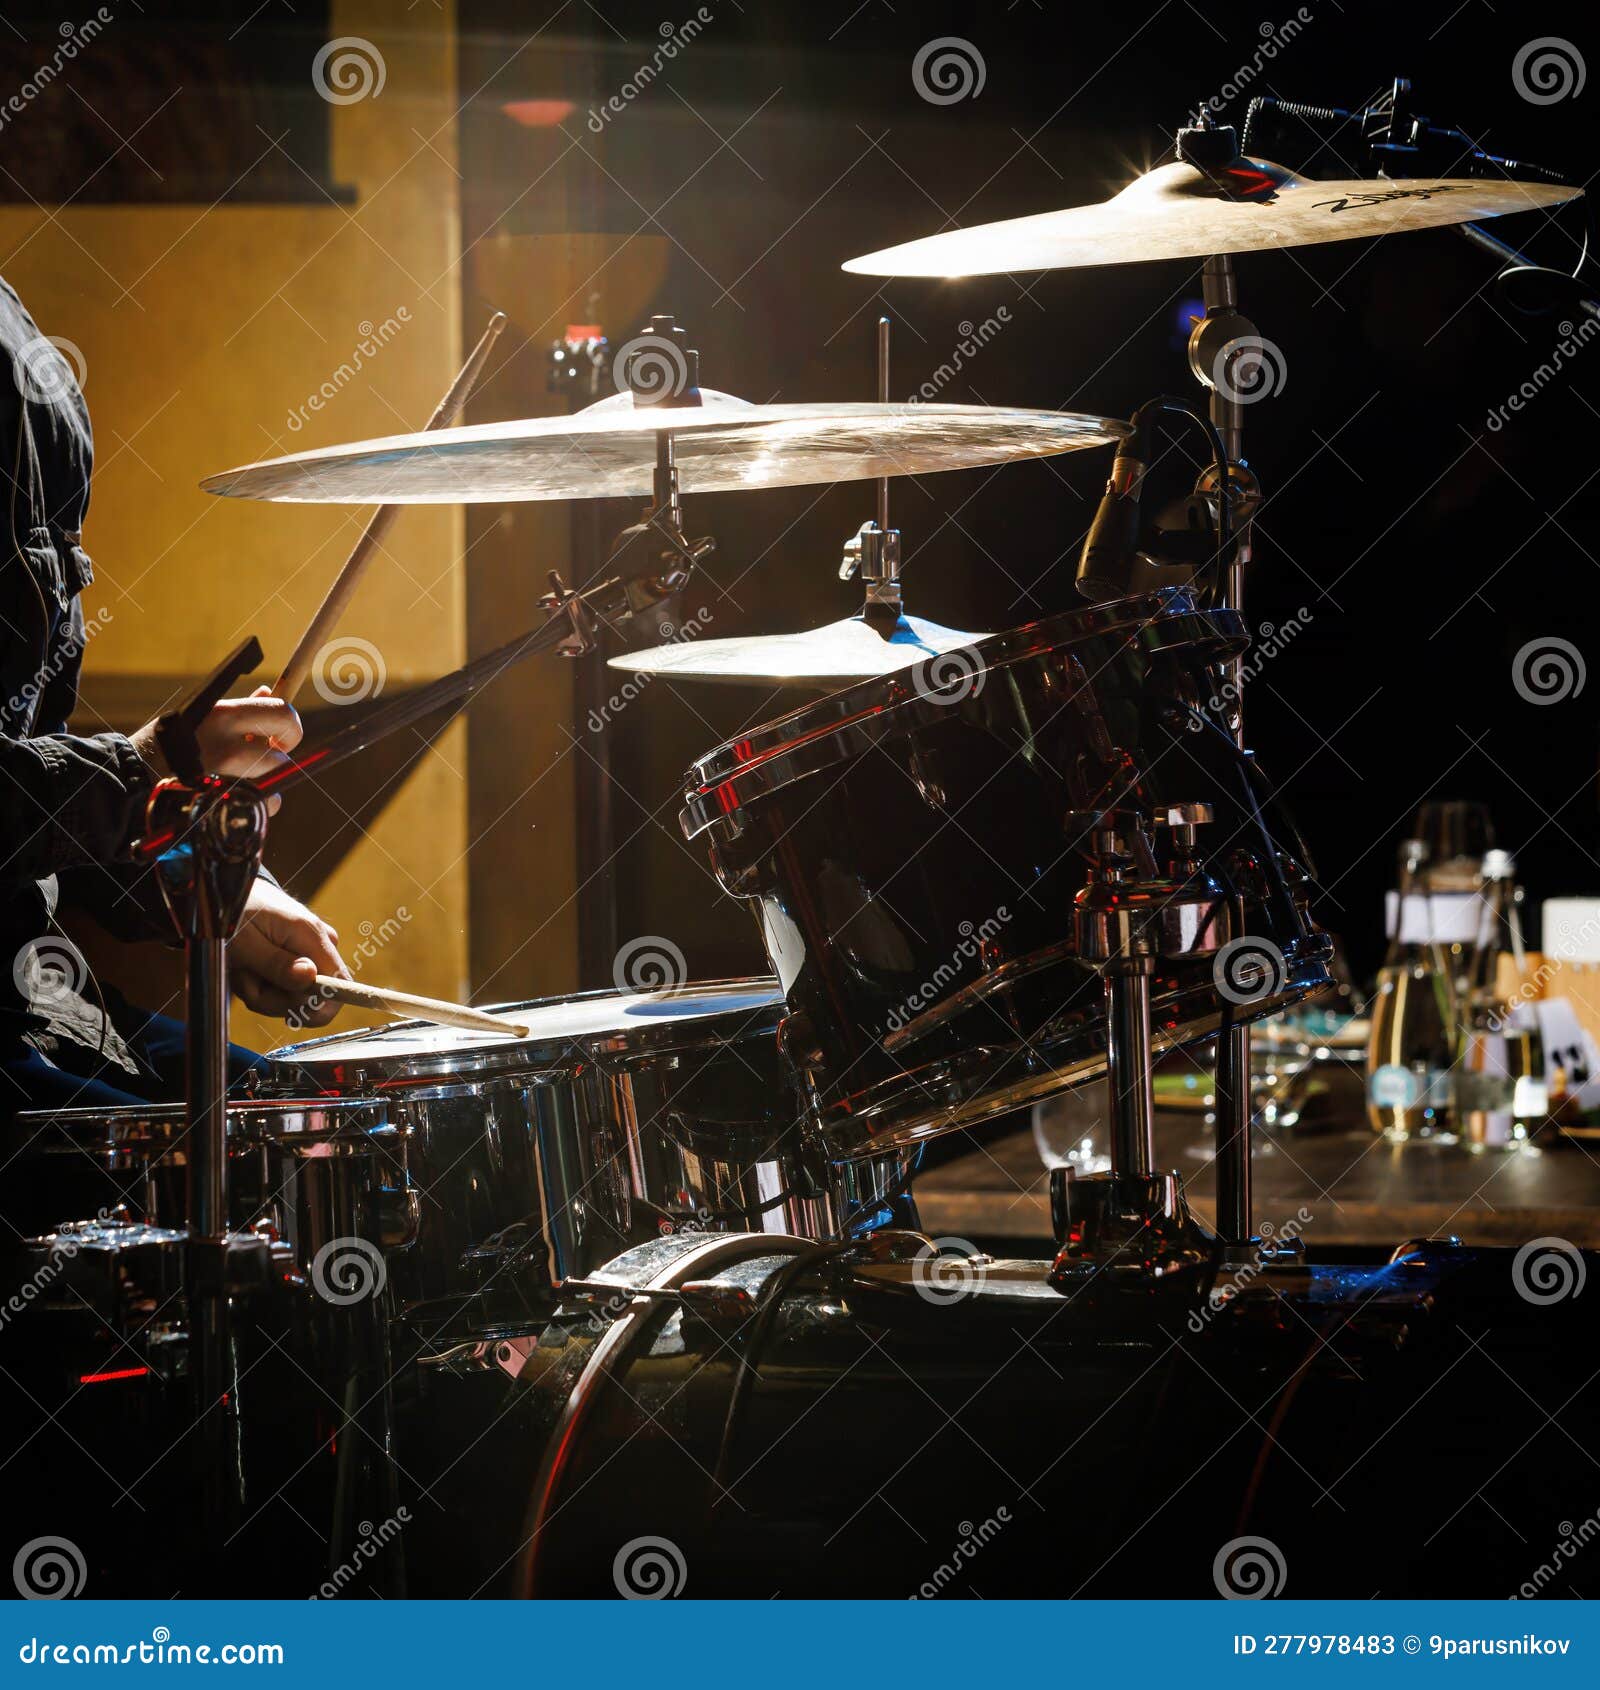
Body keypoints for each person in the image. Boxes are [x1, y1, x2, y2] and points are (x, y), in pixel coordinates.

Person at [0, 273, 351, 1122]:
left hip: (37, 992)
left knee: (311, 1117)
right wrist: (145, 773)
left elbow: (33, 805)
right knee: (197, 1169)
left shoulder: (18, 337)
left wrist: (198, 879)